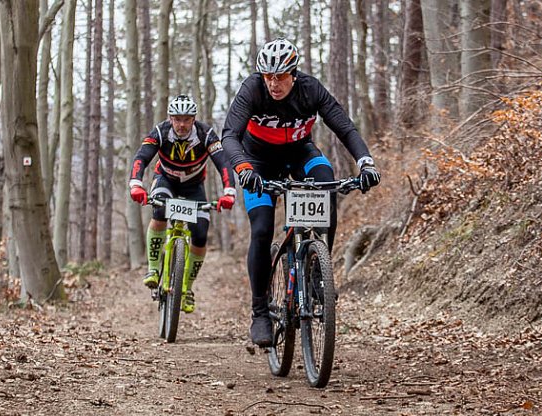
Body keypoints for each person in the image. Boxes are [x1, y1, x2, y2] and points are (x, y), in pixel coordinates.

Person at [221, 38, 381, 347]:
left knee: (326, 182)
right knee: (262, 229)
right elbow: (229, 135)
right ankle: (260, 312)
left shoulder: (311, 89)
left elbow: (344, 127)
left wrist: (365, 162)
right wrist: (243, 168)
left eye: (280, 76)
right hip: (257, 163)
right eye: (268, 76)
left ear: (294, 74)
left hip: (299, 153)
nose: (273, 84)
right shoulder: (252, 89)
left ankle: (318, 273)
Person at [129, 94, 237, 314]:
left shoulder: (206, 134)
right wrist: (136, 184)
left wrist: (229, 191)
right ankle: (153, 269)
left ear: (193, 119)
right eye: (177, 119)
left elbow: (223, 162)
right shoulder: (160, 132)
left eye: (186, 119)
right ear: (170, 118)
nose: (181, 124)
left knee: (200, 233)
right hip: (165, 180)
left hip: (193, 187)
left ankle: (186, 287)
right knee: (159, 210)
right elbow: (142, 157)